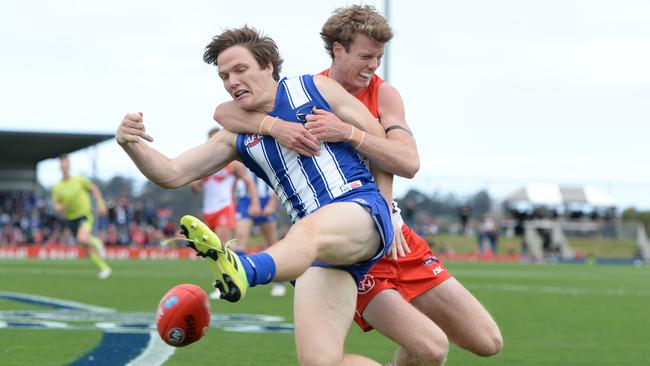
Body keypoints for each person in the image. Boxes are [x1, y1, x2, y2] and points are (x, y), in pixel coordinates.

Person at [215, 5, 502, 365]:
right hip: (344, 240)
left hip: (390, 229)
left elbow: (407, 162)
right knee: (429, 347)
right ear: (338, 50)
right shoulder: (310, 90)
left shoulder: (384, 95)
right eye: (366, 56)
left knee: (487, 341)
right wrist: (274, 127)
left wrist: (348, 133)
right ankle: (255, 268)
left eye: (379, 57)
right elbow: (224, 113)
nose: (373, 65)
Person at [116, 26, 397, 365]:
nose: (231, 81)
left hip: (358, 209)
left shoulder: (312, 88)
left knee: (306, 232)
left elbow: (378, 138)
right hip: (316, 250)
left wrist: (387, 204)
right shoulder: (236, 134)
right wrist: (131, 144)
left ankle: (246, 268)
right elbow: (172, 173)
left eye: (240, 70)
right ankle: (246, 267)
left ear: (267, 67)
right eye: (224, 76)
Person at [190, 126, 261, 299]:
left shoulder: (232, 163)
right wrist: (196, 182)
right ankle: (229, 277)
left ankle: (226, 282)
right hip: (208, 211)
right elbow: (194, 187)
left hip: (225, 207)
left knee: (220, 247)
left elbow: (249, 182)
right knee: (211, 252)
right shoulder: (203, 164)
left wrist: (255, 203)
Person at [51, 154, 112, 279]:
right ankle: (104, 268)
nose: (64, 168)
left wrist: (101, 204)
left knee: (82, 239)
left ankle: (97, 242)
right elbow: (56, 204)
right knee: (86, 247)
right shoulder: (57, 187)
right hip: (70, 218)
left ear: (69, 166)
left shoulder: (79, 180)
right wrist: (59, 207)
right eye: (62, 166)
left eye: (66, 165)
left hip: (84, 214)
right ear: (60, 168)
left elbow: (94, 189)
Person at [234, 170, 286, 296]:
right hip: (245, 200)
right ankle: (238, 279)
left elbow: (279, 178)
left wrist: (272, 203)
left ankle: (279, 282)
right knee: (240, 238)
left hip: (265, 199)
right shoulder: (242, 151)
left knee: (272, 243)